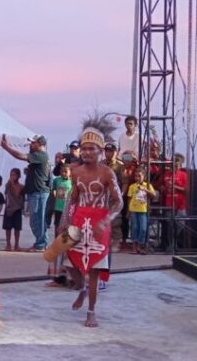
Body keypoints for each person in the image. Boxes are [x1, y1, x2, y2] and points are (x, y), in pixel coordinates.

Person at [58, 126, 123, 328]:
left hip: (99, 223)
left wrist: (106, 221)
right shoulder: (76, 172)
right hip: (79, 220)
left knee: (94, 268)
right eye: (84, 148)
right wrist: (64, 220)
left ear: (100, 150)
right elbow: (72, 198)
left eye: (91, 148)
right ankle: (82, 288)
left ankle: (91, 311)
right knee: (66, 262)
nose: (86, 152)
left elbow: (118, 202)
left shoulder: (107, 172)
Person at [1, 134, 51, 252]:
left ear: (40, 144)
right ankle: (41, 243)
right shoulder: (39, 157)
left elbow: (20, 156)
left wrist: (6, 147)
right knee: (37, 219)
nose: (31, 145)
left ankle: (41, 244)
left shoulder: (41, 155)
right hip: (36, 192)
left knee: (37, 219)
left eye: (33, 143)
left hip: (39, 192)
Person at [128, 169, 155, 254]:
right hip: (134, 209)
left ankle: (140, 244)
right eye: (136, 176)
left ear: (144, 176)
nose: (138, 178)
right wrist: (128, 211)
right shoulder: (132, 186)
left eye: (139, 176)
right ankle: (134, 246)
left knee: (143, 228)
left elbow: (153, 194)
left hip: (143, 209)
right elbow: (129, 198)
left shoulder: (147, 185)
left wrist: (145, 190)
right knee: (134, 227)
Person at [3, 168, 24, 251]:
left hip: (17, 209)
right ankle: (8, 244)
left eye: (14, 175)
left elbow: (17, 193)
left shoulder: (21, 186)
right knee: (8, 228)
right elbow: (6, 194)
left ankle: (16, 244)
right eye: (11, 175)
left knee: (17, 228)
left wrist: (12, 184)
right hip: (9, 209)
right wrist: (10, 183)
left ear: (18, 176)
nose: (12, 177)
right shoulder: (7, 185)